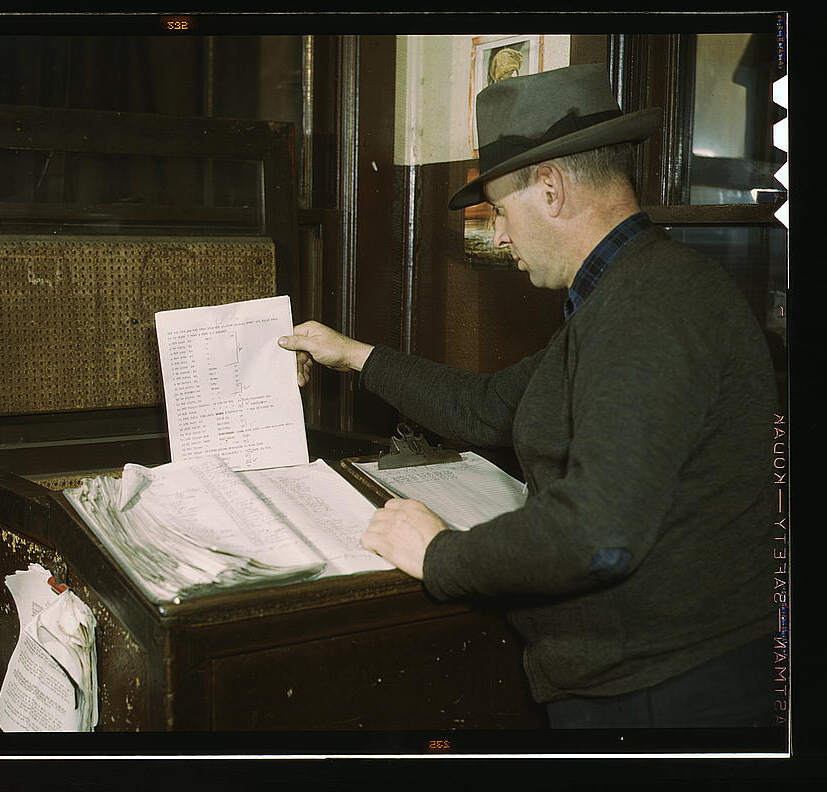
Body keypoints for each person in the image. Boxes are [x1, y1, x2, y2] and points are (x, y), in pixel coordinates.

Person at [278, 64, 779, 729]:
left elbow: (596, 536)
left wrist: (439, 555)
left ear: (550, 188)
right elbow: (489, 407)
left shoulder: (649, 311)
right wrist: (354, 355)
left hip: (666, 693)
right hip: (647, 676)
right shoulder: (626, 294)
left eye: (500, 210)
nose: (502, 235)